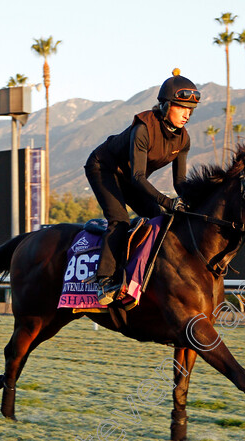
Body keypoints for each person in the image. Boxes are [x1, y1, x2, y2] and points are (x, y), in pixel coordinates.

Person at [84, 68, 201, 304]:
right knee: (120, 220)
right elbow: (138, 177)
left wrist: (195, 202)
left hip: (130, 178)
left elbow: (179, 183)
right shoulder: (143, 129)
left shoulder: (183, 139)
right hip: (103, 169)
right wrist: (168, 202)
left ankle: (147, 276)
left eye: (190, 110)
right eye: (181, 107)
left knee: (160, 218)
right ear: (166, 105)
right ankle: (104, 280)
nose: (186, 114)